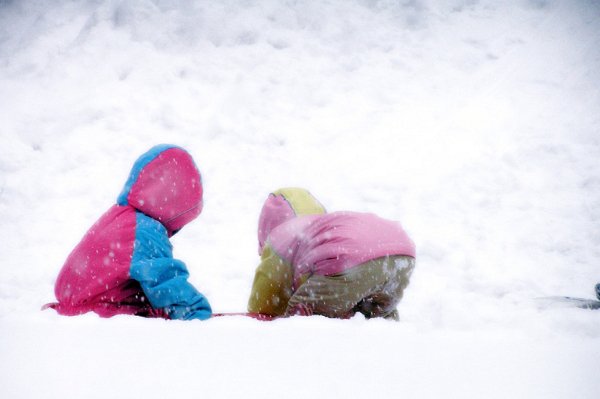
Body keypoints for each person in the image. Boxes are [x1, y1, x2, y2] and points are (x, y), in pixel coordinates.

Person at [43, 144, 212, 320]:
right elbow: (165, 283)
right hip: (100, 318)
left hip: (85, 307)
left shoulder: (122, 218)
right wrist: (195, 313)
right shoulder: (144, 231)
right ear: (176, 201)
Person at [247, 187, 416, 320]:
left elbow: (267, 292)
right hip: (401, 255)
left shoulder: (281, 236)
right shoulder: (324, 229)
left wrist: (261, 313)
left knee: (301, 319)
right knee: (372, 316)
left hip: (350, 262)